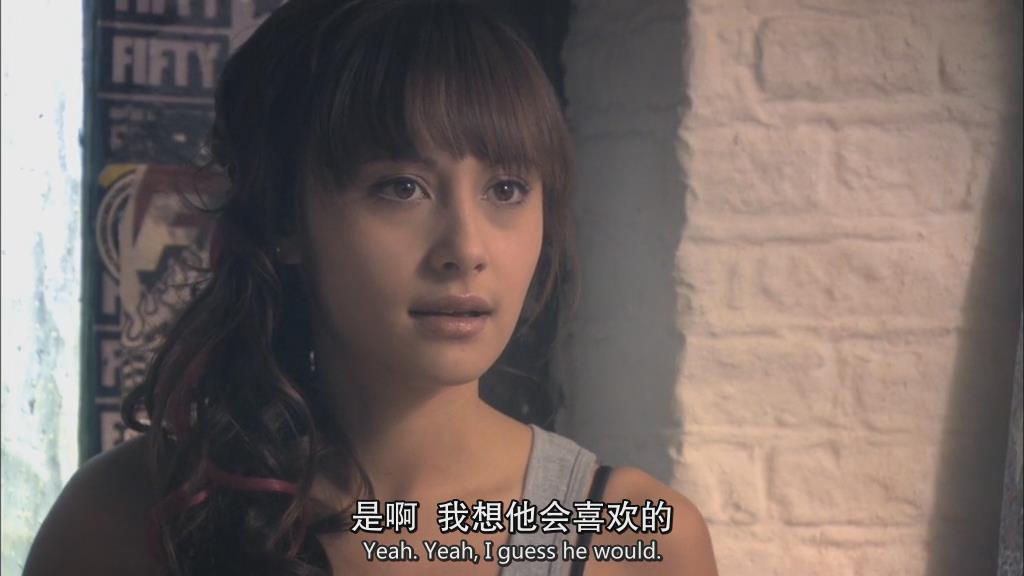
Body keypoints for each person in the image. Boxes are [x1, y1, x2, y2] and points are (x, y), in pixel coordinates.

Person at [24, 1, 718, 575]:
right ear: (285, 220)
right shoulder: (126, 518)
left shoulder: (636, 540)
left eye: (506, 189)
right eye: (401, 188)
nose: (467, 250)